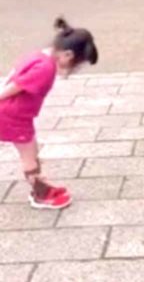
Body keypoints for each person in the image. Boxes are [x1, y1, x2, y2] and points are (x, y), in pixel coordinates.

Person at [0, 18, 98, 209]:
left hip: (14, 113)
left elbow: (14, 76)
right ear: (68, 55)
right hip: (13, 115)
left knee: (32, 149)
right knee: (29, 155)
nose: (73, 68)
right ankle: (40, 194)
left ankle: (40, 185)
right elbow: (17, 85)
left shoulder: (39, 55)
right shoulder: (46, 68)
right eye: (76, 64)